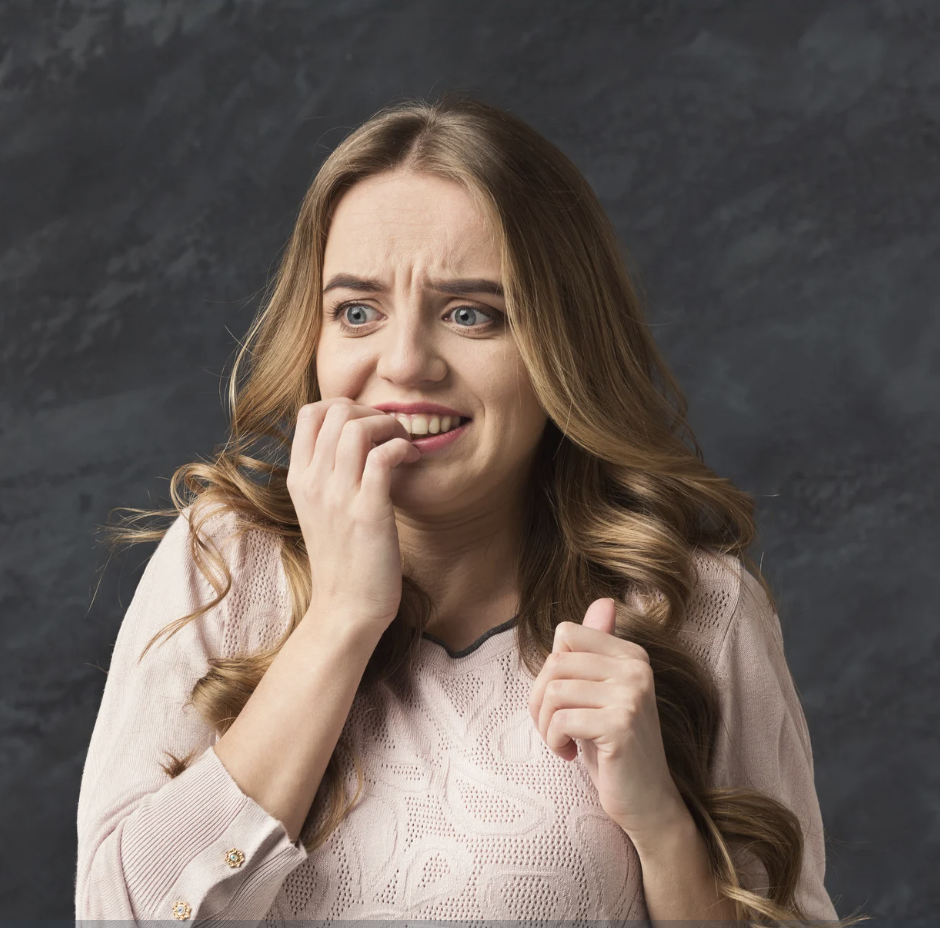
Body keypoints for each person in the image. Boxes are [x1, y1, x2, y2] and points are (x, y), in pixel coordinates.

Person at [75, 92, 870, 926]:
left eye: (470, 314)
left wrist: (662, 827)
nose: (406, 363)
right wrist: (342, 618)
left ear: (559, 346)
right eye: (357, 311)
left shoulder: (693, 606)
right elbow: (116, 916)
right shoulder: (222, 564)